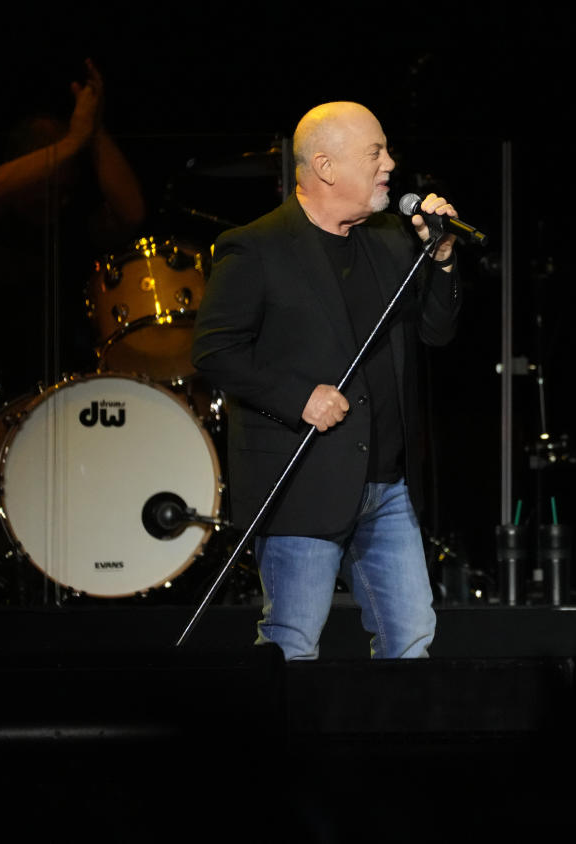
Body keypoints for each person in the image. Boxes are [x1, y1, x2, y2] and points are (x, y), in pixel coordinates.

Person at [191, 101, 462, 660]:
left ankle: (391, 745)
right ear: (326, 166)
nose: (390, 163)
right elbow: (215, 352)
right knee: (292, 642)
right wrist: (298, 398)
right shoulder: (256, 246)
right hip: (302, 483)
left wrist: (442, 258)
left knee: (410, 639)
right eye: (375, 152)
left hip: (386, 485)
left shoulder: (392, 239)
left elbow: (437, 333)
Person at [0, 58, 145, 398]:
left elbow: (132, 214)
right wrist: (71, 142)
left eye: (68, 186)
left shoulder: (75, 225)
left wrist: (94, 130)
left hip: (73, 392)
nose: (63, 197)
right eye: (52, 184)